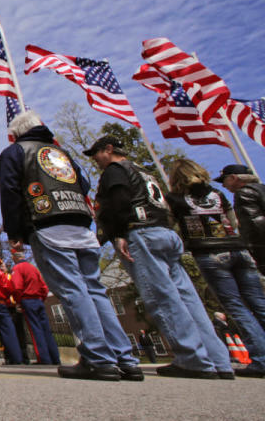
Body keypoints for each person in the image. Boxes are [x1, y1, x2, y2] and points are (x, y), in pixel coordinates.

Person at [0, 112, 140, 381]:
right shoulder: (60, 152)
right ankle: (125, 357)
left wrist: (14, 230)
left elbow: (10, 190)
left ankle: (98, 357)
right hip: (80, 223)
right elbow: (83, 183)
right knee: (95, 289)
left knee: (72, 289)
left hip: (48, 221)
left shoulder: (15, 152)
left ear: (16, 134)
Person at [87, 135, 232, 379]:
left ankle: (192, 359)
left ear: (108, 149)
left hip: (142, 233)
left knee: (162, 298)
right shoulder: (143, 171)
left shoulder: (115, 170)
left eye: (96, 154)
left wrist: (120, 232)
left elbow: (120, 200)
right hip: (165, 232)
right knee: (188, 299)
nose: (96, 160)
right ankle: (218, 360)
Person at [168, 159, 265, 377]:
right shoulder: (217, 194)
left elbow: (171, 227)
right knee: (259, 303)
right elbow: (233, 221)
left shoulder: (175, 199)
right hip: (239, 249)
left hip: (210, 253)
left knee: (237, 307)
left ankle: (261, 359)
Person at [10, 250, 59, 365]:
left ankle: (43, 358)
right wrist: (41, 298)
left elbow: (17, 287)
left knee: (35, 330)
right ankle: (55, 358)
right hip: (39, 300)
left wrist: (18, 301)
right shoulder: (33, 268)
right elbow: (44, 287)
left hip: (28, 300)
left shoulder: (18, 268)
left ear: (14, 258)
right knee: (47, 330)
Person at [218, 164, 265, 275]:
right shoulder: (262, 188)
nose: (224, 186)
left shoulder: (243, 193)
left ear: (233, 178)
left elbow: (254, 225)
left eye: (224, 181)